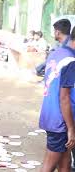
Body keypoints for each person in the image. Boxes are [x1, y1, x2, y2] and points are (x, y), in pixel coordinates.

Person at [39, 26, 75, 172]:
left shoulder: (57, 53)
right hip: (60, 121)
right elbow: (64, 97)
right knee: (48, 166)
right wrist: (71, 128)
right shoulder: (71, 60)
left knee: (65, 161)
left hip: (50, 114)